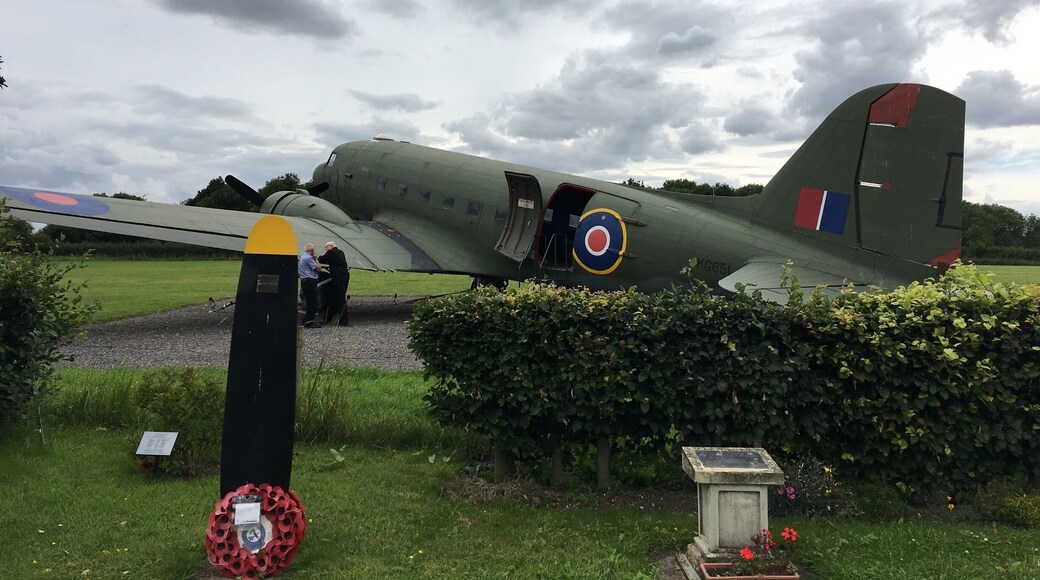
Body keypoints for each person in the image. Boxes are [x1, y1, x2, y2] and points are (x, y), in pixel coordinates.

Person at [318, 241, 350, 326]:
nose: (325, 249)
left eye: (326, 247)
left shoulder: (331, 252)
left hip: (338, 277)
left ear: (331, 246)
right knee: (338, 297)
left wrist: (315, 257)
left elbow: (322, 259)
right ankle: (330, 319)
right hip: (344, 275)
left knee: (339, 299)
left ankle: (343, 321)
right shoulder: (340, 252)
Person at [298, 243, 322, 327]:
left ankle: (305, 320)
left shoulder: (302, 257)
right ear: (312, 250)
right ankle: (309, 322)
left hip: (304, 281)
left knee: (308, 301)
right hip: (310, 281)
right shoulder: (309, 258)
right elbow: (319, 268)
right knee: (313, 302)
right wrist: (316, 259)